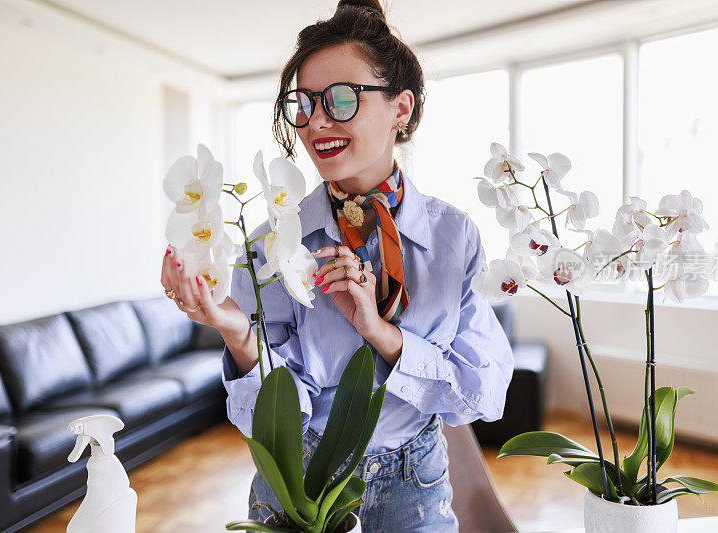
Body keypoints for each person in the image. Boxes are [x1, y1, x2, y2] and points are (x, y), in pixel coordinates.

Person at [160, 1, 514, 531]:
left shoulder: (451, 236)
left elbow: (481, 392)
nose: (316, 121)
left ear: (401, 108)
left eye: (342, 99)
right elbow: (276, 414)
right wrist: (237, 332)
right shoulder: (270, 242)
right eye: (302, 103)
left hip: (413, 481)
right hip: (298, 480)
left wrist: (382, 333)